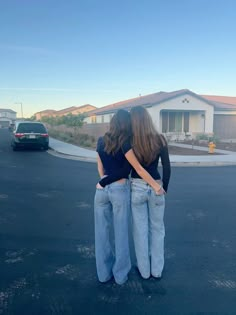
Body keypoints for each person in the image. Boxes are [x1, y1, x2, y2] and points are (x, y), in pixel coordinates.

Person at [94, 109, 164, 285]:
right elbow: (126, 171)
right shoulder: (125, 143)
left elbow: (100, 169)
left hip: (100, 192)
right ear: (127, 124)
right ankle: (120, 275)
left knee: (101, 234)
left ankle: (103, 275)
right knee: (121, 234)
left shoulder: (101, 141)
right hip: (119, 189)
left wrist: (103, 182)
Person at [130, 106, 171, 279]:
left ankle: (144, 271)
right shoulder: (160, 139)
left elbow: (128, 168)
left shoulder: (130, 140)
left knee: (140, 230)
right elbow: (167, 167)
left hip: (137, 187)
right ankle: (157, 270)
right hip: (157, 185)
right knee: (157, 229)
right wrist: (164, 188)